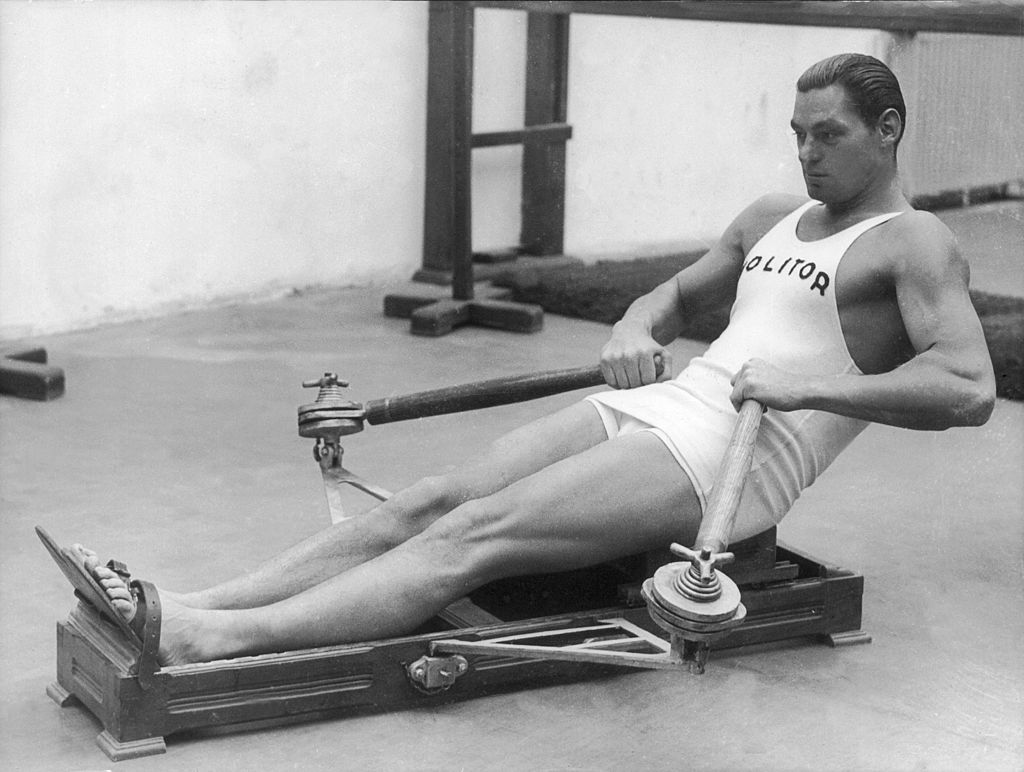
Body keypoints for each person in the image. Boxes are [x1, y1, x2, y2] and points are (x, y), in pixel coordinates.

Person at [68, 53, 994, 666]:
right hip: (672, 406)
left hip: (735, 461)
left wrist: (808, 385)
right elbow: (670, 299)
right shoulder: (769, 219)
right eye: (797, 132)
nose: (806, 153)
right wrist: (635, 325)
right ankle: (194, 601)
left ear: (888, 129)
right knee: (434, 497)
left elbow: (968, 388)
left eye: (827, 134)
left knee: (476, 537)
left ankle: (216, 642)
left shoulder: (914, 244)